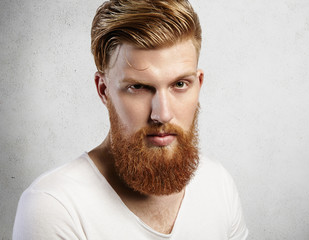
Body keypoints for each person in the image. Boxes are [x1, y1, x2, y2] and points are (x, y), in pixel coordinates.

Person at [13, 0, 248, 239]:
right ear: (103, 90)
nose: (162, 114)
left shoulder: (218, 184)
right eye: (138, 87)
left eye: (179, 84)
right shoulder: (55, 207)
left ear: (198, 84)